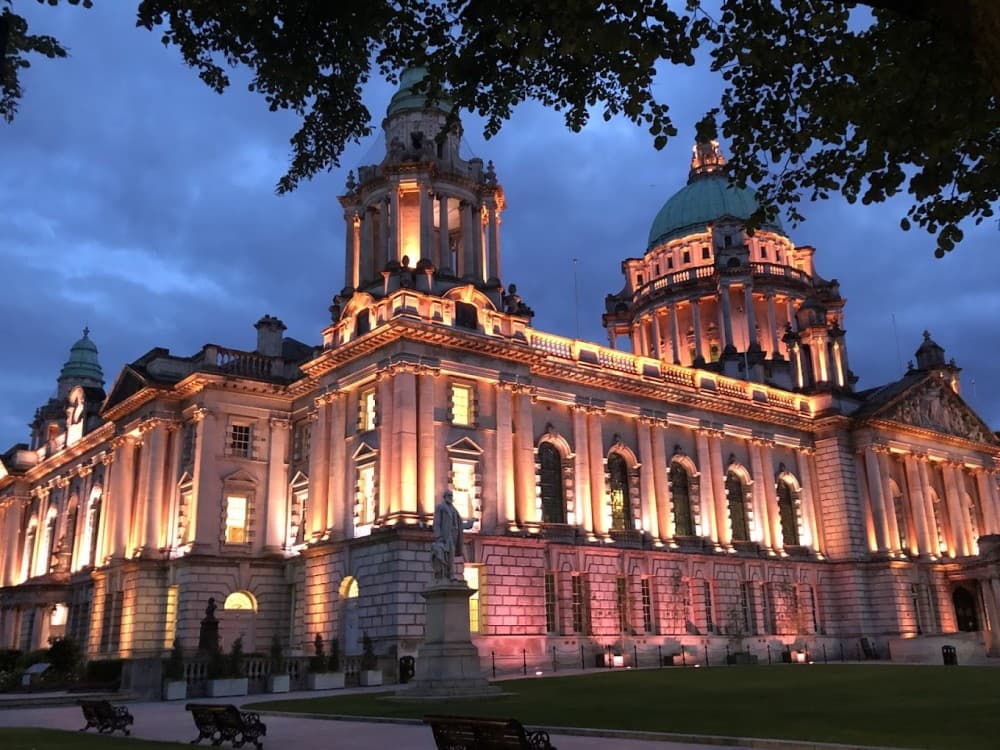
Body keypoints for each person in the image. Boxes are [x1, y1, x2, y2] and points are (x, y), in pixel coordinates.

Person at [432, 491, 474, 581]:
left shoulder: (454, 510)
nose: (450, 497)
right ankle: (448, 575)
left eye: (451, 495)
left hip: (454, 536)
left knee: (451, 554)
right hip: (446, 535)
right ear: (445, 496)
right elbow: (437, 522)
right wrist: (438, 536)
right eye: (449, 495)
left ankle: (450, 574)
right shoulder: (440, 507)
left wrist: (469, 524)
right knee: (448, 554)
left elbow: (459, 525)